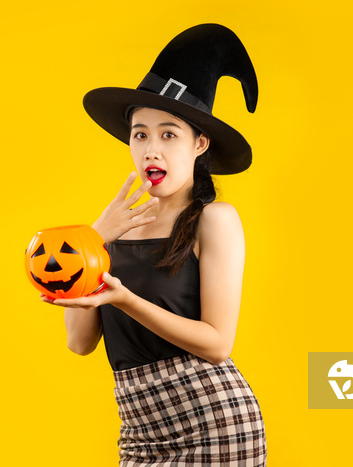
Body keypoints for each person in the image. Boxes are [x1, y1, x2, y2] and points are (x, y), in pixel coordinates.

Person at [42, 24, 267, 466]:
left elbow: (218, 343)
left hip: (213, 425)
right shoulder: (114, 229)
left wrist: (126, 301)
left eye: (168, 135)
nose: (151, 150)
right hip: (140, 432)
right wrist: (91, 239)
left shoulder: (214, 220)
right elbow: (79, 343)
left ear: (199, 144)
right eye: (140, 134)